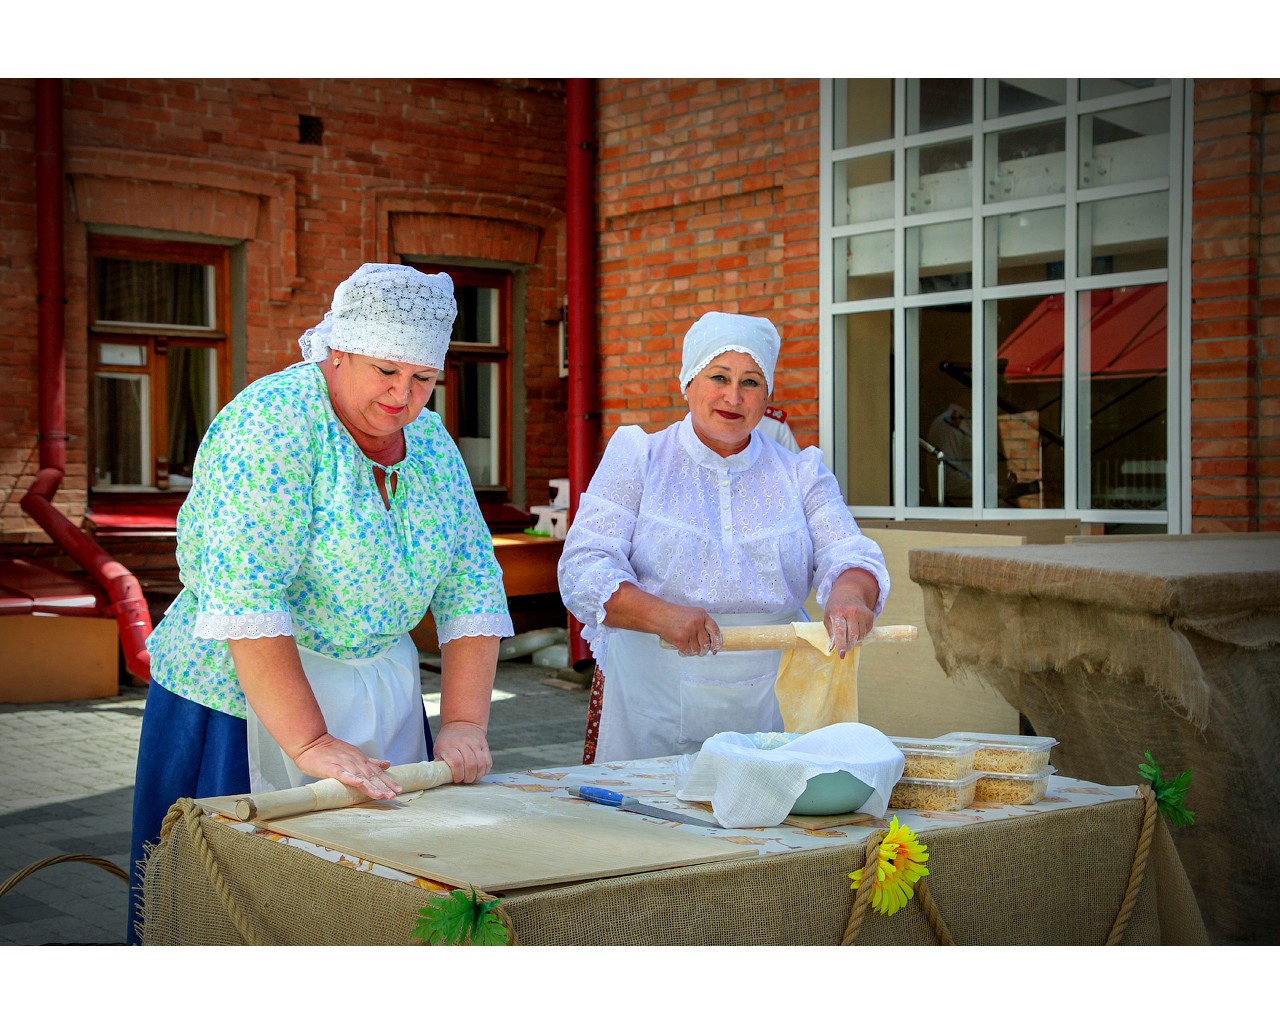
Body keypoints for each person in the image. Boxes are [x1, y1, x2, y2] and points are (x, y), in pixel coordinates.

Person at [127, 264, 513, 942]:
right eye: (385, 371)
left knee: (379, 895)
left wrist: (462, 723)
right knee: (241, 909)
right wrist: (309, 741)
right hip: (244, 698)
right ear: (338, 351)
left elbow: (471, 581)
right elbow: (247, 591)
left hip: (380, 691)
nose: (402, 395)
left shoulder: (429, 443)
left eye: (422, 378)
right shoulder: (273, 421)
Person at [558, 310, 889, 764]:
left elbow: (849, 552)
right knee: (654, 805)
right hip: (653, 688)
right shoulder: (641, 456)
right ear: (688, 381)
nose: (733, 396)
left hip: (771, 697)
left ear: (766, 394)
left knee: (760, 802)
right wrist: (661, 615)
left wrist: (849, 595)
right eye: (719, 377)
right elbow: (584, 566)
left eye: (751, 382)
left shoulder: (800, 471)